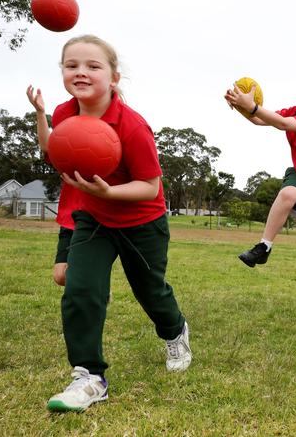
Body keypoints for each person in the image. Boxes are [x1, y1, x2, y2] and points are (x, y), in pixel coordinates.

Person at [44, 35, 191, 412]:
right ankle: (89, 377)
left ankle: (175, 331)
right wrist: (39, 116)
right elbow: (56, 153)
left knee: (151, 292)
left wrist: (110, 192)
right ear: (62, 71)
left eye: (93, 66)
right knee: (80, 289)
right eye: (71, 64)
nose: (81, 72)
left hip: (142, 222)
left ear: (113, 77)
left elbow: (150, 187)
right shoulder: (63, 114)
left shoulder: (132, 126)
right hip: (92, 219)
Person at [224, 75, 296, 298]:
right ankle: (264, 247)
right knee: (288, 193)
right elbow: (260, 119)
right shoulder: (294, 111)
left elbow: (282, 124)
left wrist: (252, 106)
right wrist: (241, 105)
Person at [26, 85, 81, 287]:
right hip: (70, 216)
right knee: (60, 276)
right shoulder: (67, 147)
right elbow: (47, 147)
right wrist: (40, 112)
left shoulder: (102, 142)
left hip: (96, 216)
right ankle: (95, 282)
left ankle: (94, 282)